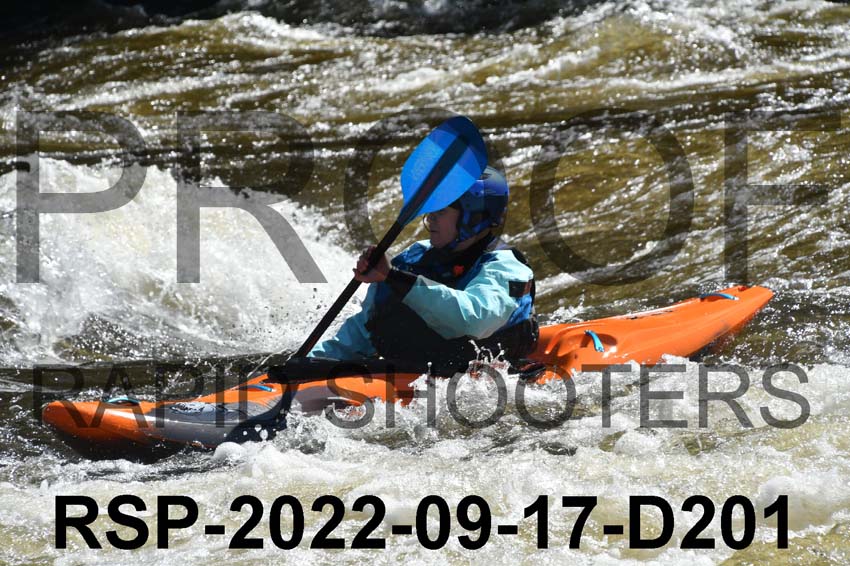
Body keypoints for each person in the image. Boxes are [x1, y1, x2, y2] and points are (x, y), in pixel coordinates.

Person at [309, 166, 537, 373]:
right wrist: (310, 364)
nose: (431, 217)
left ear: (473, 219)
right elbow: (366, 328)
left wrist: (394, 277)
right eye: (431, 209)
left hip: (485, 372)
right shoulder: (413, 259)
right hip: (417, 371)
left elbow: (472, 320)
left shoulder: (505, 267)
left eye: (442, 211)